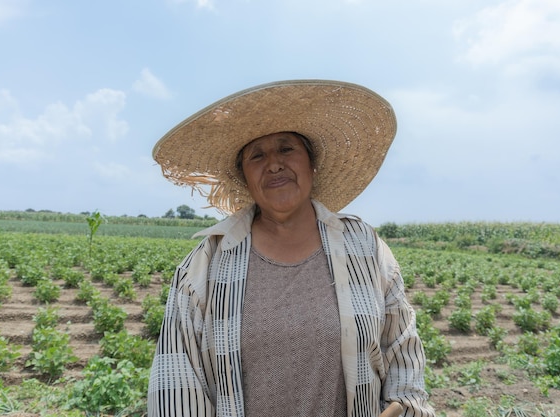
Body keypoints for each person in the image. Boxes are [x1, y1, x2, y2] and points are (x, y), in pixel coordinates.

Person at [147, 80, 436, 417]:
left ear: (311, 165)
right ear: (244, 176)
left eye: (286, 149)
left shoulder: (364, 247)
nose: (273, 164)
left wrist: (400, 405)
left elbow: (402, 347)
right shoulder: (205, 265)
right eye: (257, 155)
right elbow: (177, 383)